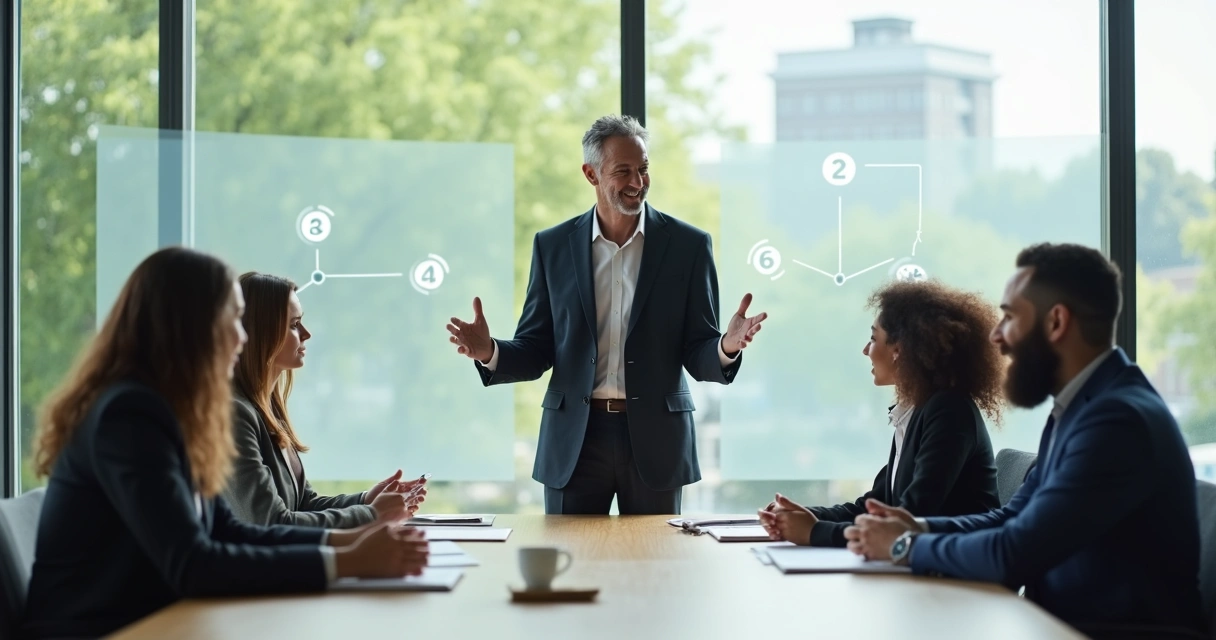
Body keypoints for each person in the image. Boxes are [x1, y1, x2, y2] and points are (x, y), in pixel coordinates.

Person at [23, 248, 429, 639]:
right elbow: (193, 563)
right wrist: (348, 558)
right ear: (190, 326)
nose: (242, 336)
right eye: (235, 319)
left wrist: (353, 541)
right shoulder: (129, 415)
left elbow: (228, 530)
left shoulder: (169, 410)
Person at [845, 243, 1204, 636]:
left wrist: (904, 547)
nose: (996, 338)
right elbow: (1011, 518)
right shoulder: (1082, 407)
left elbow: (1014, 552)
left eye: (1010, 317)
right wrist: (919, 528)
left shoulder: (1117, 421)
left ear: (1056, 322)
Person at [446, 114, 767, 515]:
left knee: (656, 570)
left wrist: (725, 346)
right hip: (575, 444)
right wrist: (489, 351)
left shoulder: (689, 246)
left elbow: (696, 350)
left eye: (644, 169)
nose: (638, 182)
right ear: (591, 174)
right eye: (624, 171)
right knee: (572, 569)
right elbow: (537, 348)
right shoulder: (553, 246)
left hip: (656, 442)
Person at [759, 280, 1002, 547]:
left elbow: (907, 521)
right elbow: (874, 507)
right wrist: (802, 517)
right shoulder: (917, 410)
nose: (866, 350)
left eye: (874, 338)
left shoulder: (949, 411)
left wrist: (815, 532)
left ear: (899, 350)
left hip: (959, 579)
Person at [223, 272, 426, 528]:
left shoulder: (266, 409)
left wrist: (366, 500)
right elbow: (273, 522)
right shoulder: (236, 414)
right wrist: (373, 515)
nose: (306, 334)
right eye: (294, 325)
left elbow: (303, 505)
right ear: (263, 332)